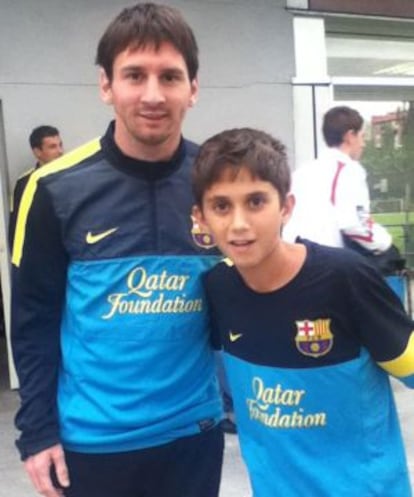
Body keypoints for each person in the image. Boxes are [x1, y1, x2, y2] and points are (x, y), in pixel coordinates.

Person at [11, 4, 224, 497]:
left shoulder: (217, 180)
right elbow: (33, 320)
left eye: (170, 76)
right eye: (134, 75)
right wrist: (37, 431)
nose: (153, 94)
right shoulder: (52, 188)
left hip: (194, 435)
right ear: (106, 85)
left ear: (192, 88)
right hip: (93, 443)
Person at [192, 127, 414, 496]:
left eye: (256, 202)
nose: (240, 224)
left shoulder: (346, 279)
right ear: (201, 217)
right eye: (221, 206)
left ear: (286, 207)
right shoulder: (218, 288)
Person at [283, 106, 396, 264]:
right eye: (362, 137)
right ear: (350, 136)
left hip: (293, 259)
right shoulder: (349, 170)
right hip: (326, 262)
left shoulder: (301, 172)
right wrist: (386, 244)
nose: (363, 144)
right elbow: (353, 224)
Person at [9, 125, 63, 247]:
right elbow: (17, 227)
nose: (60, 151)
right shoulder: (24, 183)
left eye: (60, 145)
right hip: (41, 254)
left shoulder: (73, 177)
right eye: (52, 147)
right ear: (37, 152)